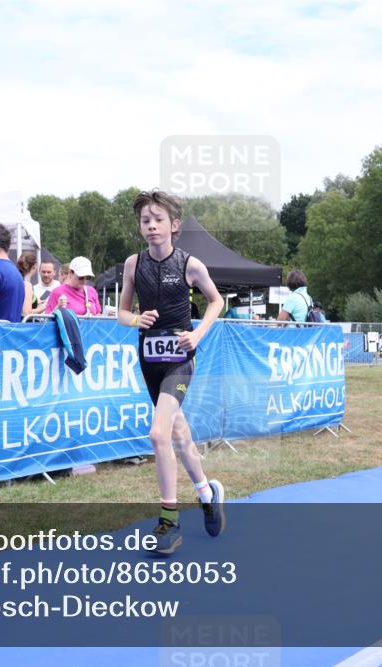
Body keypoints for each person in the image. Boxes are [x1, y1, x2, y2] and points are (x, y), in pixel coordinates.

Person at [118, 190, 225, 555]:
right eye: (145, 221)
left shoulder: (190, 265)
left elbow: (217, 300)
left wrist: (197, 334)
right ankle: (207, 493)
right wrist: (136, 319)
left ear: (173, 225)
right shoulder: (133, 264)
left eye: (158, 220)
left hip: (180, 359)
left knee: (158, 433)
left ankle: (169, 520)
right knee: (179, 435)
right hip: (149, 360)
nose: (151, 227)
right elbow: (122, 313)